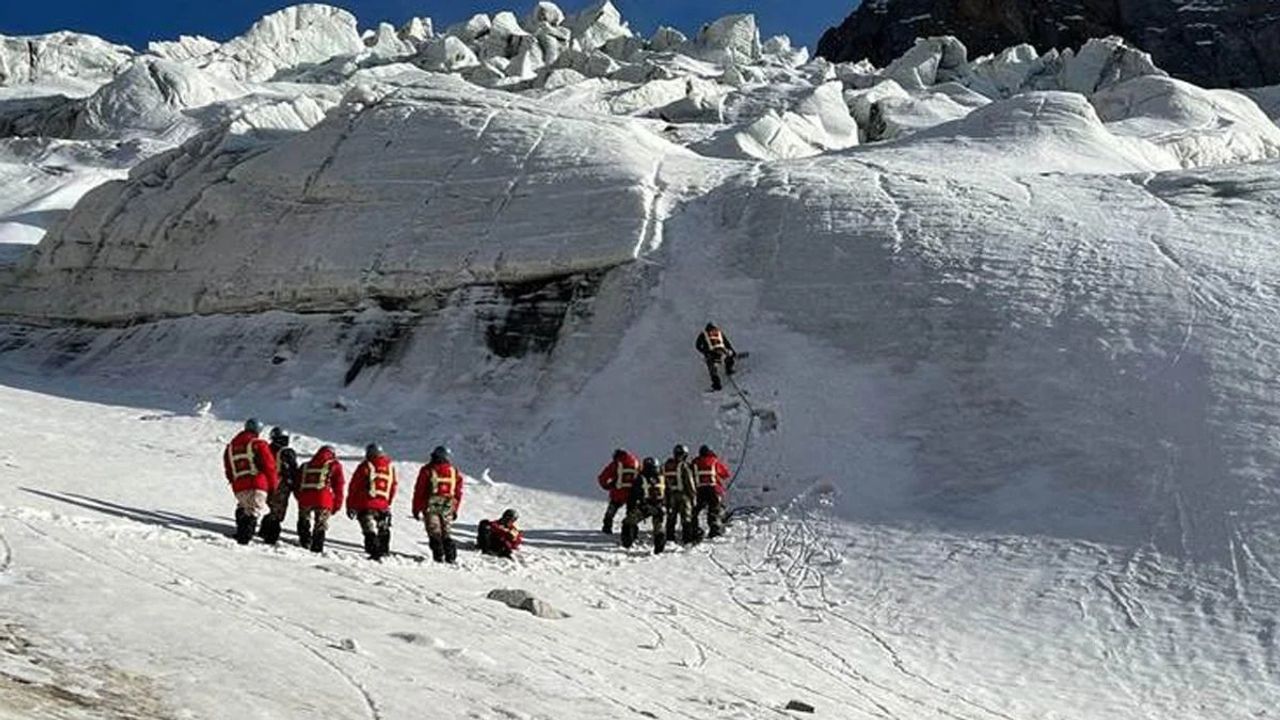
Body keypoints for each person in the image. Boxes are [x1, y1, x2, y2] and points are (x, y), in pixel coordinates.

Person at [222, 418, 279, 545]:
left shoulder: (230, 447)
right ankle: (244, 539)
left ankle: (240, 533)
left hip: (239, 486)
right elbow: (269, 467)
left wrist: (234, 481)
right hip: (257, 483)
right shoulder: (258, 444)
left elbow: (228, 468)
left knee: (242, 507)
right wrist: (273, 486)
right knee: (252, 512)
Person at [412, 445, 464, 564]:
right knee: (446, 533)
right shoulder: (453, 471)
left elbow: (419, 490)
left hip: (430, 505)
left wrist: (416, 508)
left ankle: (438, 557)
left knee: (434, 532)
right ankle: (451, 557)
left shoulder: (427, 470)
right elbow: (458, 492)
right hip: (448, 505)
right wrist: (455, 508)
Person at [347, 443, 398, 560]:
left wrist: (350, 506)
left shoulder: (365, 466)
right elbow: (393, 486)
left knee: (368, 528)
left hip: (365, 504)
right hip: (383, 505)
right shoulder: (390, 468)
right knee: (383, 528)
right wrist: (387, 502)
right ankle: (384, 550)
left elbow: (354, 486)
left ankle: (374, 551)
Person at [294, 445, 345, 553]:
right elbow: (339, 486)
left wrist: (299, 497)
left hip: (305, 497)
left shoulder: (305, 465)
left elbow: (297, 483)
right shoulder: (334, 465)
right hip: (323, 499)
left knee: (304, 519)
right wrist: (337, 504)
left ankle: (304, 541)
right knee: (320, 523)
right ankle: (317, 546)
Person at [259, 427, 300, 545]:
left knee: (272, 509)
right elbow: (294, 470)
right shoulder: (287, 452)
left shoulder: (265, 449)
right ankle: (271, 536)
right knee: (278, 513)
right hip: (282, 485)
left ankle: (264, 530)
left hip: (266, 483)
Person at [623, 457, 667, 553]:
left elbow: (633, 495)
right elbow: (668, 492)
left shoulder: (640, 478)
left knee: (628, 522)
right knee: (659, 528)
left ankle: (627, 543)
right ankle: (659, 549)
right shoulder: (662, 478)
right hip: (660, 507)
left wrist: (630, 509)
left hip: (645, 507)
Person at [691, 444, 731, 540]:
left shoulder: (695, 462)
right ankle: (714, 530)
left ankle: (694, 529)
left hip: (700, 490)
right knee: (713, 510)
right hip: (713, 490)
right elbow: (726, 474)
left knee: (695, 511)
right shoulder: (714, 461)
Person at [597, 448, 640, 534]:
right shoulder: (636, 462)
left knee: (611, 512)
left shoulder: (615, 464)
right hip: (633, 493)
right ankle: (631, 532)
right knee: (631, 514)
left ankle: (607, 529)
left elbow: (602, 478)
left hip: (618, 493)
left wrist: (608, 486)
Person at [663, 444, 699, 544]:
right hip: (683, 495)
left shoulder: (666, 465)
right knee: (686, 517)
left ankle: (670, 537)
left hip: (670, 495)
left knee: (671, 518)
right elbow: (689, 482)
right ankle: (687, 539)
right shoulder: (684, 466)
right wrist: (693, 497)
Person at [696, 322, 737, 392]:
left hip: (710, 354)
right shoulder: (719, 333)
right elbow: (727, 343)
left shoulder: (703, 334)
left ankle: (717, 385)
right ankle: (729, 369)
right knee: (728, 357)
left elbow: (697, 345)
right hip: (722, 351)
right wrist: (733, 352)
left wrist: (704, 352)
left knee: (712, 369)